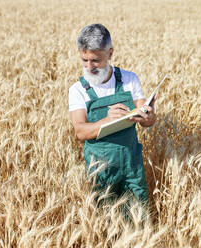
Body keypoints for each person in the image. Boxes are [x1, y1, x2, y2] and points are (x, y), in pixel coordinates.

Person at [69, 23, 156, 207]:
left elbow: (147, 118)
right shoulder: (77, 90)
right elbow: (80, 132)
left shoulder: (129, 79)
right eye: (84, 60)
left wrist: (149, 117)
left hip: (132, 168)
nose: (89, 67)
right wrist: (106, 121)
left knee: (140, 223)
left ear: (110, 53)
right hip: (100, 172)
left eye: (95, 60)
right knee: (104, 225)